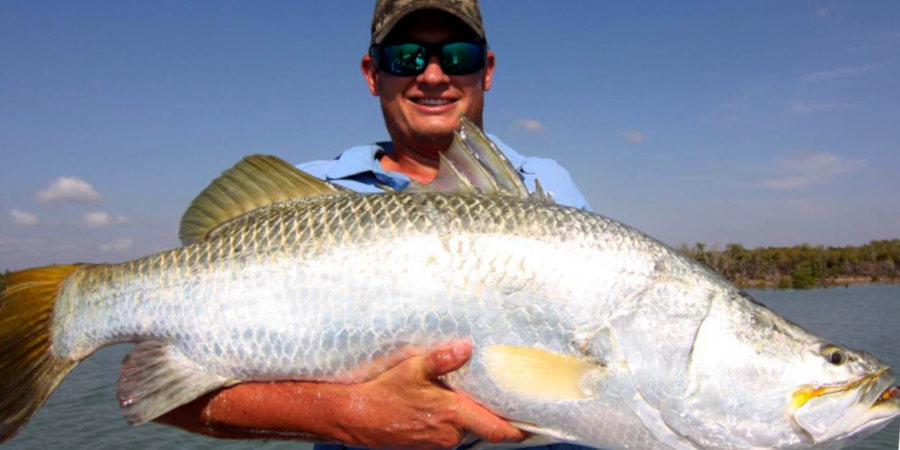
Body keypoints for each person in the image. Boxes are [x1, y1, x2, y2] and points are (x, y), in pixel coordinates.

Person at [159, 1, 591, 448]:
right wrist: (345, 415)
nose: (433, 75)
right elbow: (167, 402)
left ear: (487, 70)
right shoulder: (305, 195)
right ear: (372, 73)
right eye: (406, 57)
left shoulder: (548, 185)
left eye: (459, 56)